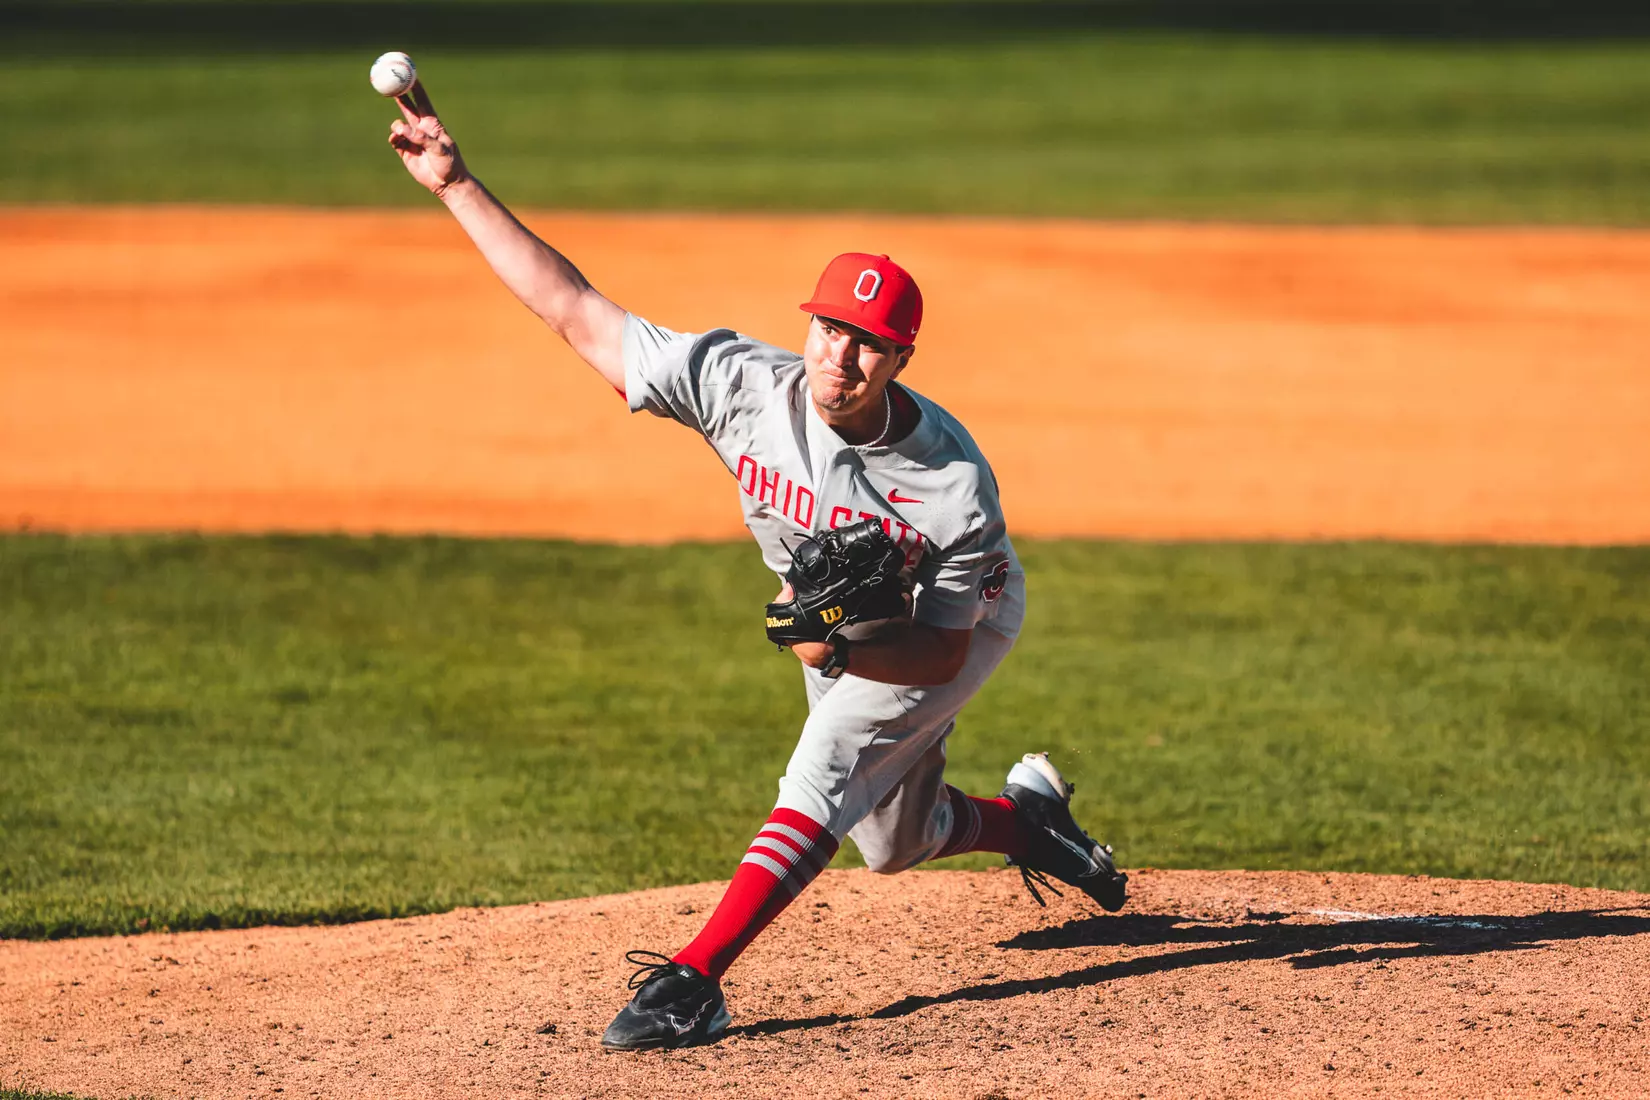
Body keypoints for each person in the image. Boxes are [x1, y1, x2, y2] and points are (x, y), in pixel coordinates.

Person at [385, 85, 1128, 1052]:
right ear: (808, 325)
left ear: (900, 356)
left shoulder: (952, 486)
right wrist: (458, 187)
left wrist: (826, 646)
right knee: (891, 843)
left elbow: (941, 657)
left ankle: (692, 979)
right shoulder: (743, 388)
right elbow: (577, 313)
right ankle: (1030, 822)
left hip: (951, 627)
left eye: (867, 343)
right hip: (842, 625)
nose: (841, 355)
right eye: (829, 328)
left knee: (824, 768)